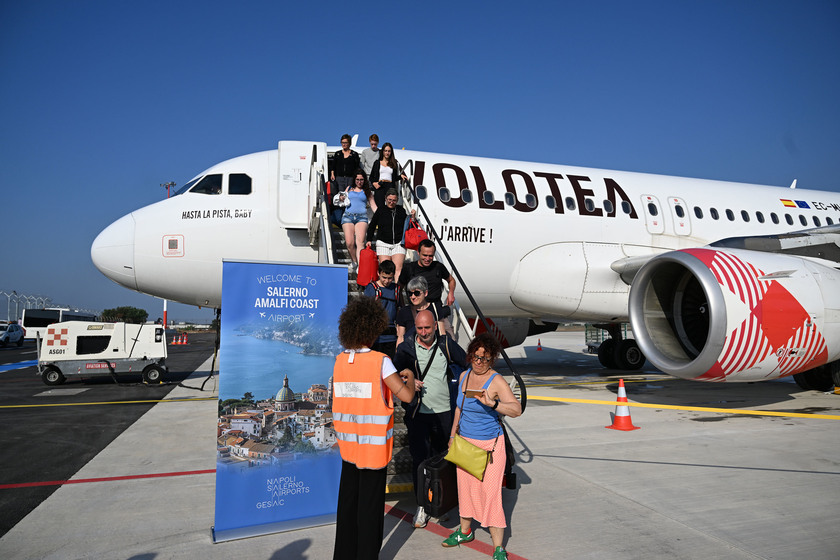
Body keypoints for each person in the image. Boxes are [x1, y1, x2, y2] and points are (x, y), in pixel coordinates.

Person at [332, 297, 416, 560]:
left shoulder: (340, 360)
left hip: (349, 450)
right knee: (369, 513)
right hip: (373, 452)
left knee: (347, 509)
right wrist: (410, 377)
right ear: (373, 328)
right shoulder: (381, 361)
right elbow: (406, 396)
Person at [442, 333, 521, 559]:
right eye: (475, 357)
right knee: (465, 490)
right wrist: (451, 436)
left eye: (484, 359)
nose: (478, 362)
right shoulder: (465, 376)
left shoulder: (496, 381)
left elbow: (516, 409)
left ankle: (498, 547)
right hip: (465, 444)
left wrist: (493, 403)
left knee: (491, 494)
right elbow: (459, 408)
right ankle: (465, 531)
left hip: (490, 447)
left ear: (492, 359)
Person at [394, 309, 467, 529]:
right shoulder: (406, 348)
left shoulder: (445, 344)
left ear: (435, 326)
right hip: (418, 413)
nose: (424, 332)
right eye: (419, 328)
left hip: (445, 412)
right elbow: (392, 375)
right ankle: (422, 506)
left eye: (427, 327)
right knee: (420, 461)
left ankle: (440, 503)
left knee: (442, 459)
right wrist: (409, 381)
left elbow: (466, 364)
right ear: (414, 328)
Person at [365, 188, 409, 281]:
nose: (392, 202)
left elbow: (407, 226)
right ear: (385, 199)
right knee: (386, 270)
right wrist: (369, 239)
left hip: (398, 243)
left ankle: (397, 292)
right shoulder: (380, 210)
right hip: (383, 243)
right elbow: (372, 226)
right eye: (389, 200)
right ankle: (384, 292)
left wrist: (412, 218)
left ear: (397, 200)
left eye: (394, 200)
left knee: (398, 268)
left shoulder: (401, 211)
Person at [398, 238, 456, 307]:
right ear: (418, 253)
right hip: (416, 309)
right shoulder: (409, 268)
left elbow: (451, 280)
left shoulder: (438, 267)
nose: (427, 259)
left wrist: (451, 292)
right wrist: (402, 306)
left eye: (431, 256)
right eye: (425, 255)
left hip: (435, 308)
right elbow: (399, 288)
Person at [395, 275, 449, 347]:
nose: (413, 297)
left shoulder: (435, 308)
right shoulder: (404, 312)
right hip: (412, 352)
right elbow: (401, 337)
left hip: (433, 349)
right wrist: (398, 355)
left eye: (416, 293)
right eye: (410, 294)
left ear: (425, 293)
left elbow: (442, 333)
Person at [363, 260, 399, 360]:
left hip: (392, 337)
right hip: (375, 338)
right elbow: (365, 312)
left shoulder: (396, 289)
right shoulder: (371, 289)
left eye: (390, 278)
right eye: (384, 277)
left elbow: (400, 309)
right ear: (378, 273)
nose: (387, 281)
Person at [341, 172, 374, 272]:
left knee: (360, 243)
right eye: (358, 179)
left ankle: (360, 267)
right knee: (349, 243)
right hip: (348, 217)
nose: (359, 182)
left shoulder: (367, 191)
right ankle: (354, 261)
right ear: (354, 180)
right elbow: (342, 200)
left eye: (361, 180)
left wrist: (383, 215)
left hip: (362, 218)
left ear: (364, 180)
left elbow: (373, 206)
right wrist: (342, 198)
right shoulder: (349, 188)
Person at [369, 142, 408, 212]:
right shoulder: (377, 163)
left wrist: (400, 176)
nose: (387, 153)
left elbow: (394, 177)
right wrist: (374, 183)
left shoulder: (393, 163)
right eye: (385, 151)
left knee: (390, 207)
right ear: (383, 152)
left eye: (389, 151)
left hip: (390, 186)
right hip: (380, 185)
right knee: (379, 208)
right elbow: (371, 177)